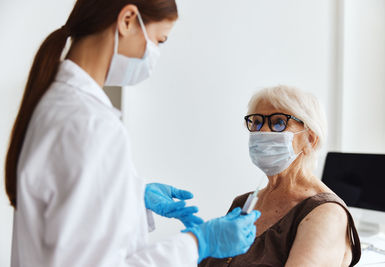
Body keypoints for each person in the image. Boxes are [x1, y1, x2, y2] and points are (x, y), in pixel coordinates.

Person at [4, 1, 260, 266]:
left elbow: (67, 217)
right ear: (127, 20)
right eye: (159, 41)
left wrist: (131, 195)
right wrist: (198, 243)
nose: (155, 54)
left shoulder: (57, 104)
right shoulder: (90, 123)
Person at [200, 85, 361, 267]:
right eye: (257, 122)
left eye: (278, 123)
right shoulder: (243, 204)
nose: (262, 132)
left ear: (310, 139)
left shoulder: (326, 214)